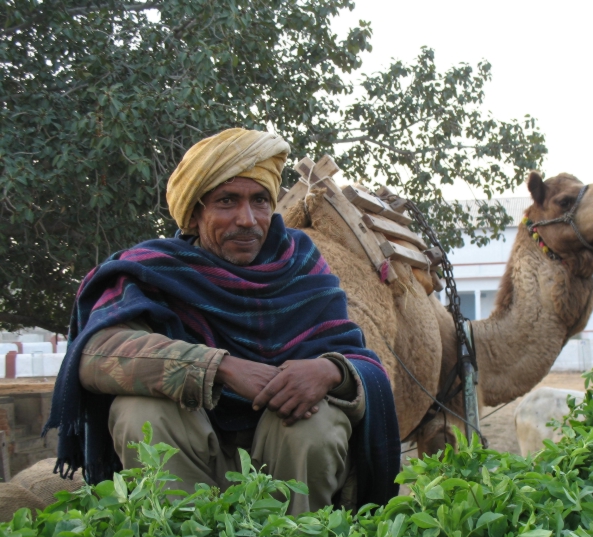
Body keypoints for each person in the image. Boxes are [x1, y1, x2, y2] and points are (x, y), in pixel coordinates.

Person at [45, 128, 400, 514]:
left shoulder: (301, 265)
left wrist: (330, 371)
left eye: (260, 200)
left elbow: (360, 359)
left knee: (317, 420)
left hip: (282, 460)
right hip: (193, 451)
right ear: (195, 215)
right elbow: (97, 355)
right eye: (227, 201)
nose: (247, 219)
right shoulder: (154, 271)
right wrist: (220, 368)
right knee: (140, 411)